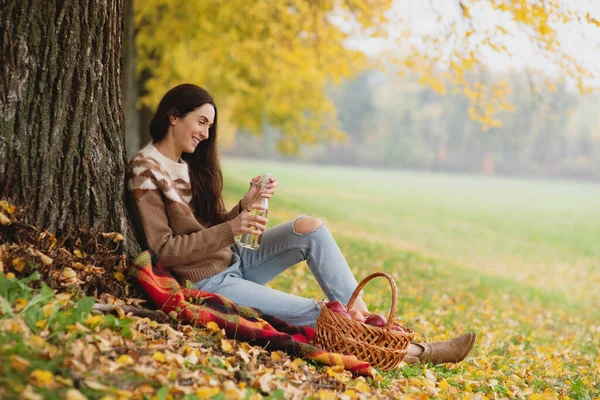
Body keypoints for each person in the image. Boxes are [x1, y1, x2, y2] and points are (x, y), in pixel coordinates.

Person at [126, 83, 475, 365]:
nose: (205, 133)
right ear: (174, 116)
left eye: (209, 126)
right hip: (209, 281)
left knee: (311, 228)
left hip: (234, 261)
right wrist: (230, 230)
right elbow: (165, 251)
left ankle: (373, 329)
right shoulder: (146, 169)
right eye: (201, 121)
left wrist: (243, 207)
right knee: (315, 312)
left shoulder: (191, 166)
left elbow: (212, 229)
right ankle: (416, 353)